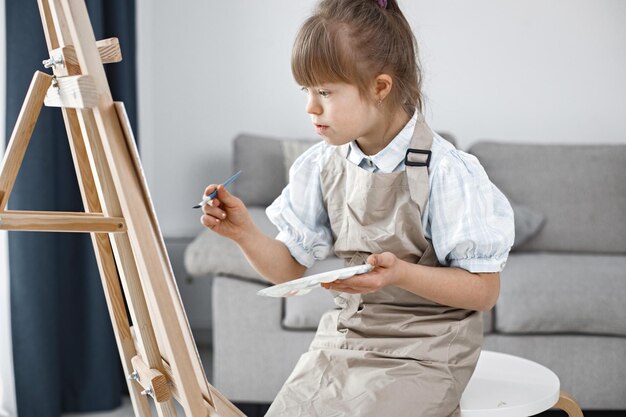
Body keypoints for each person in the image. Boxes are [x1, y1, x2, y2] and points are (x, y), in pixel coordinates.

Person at [200, 0, 514, 415]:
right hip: (344, 340)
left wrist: (399, 274)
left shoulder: (447, 170)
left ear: (380, 87)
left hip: (428, 350)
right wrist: (243, 232)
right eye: (306, 91)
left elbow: (483, 291)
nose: (311, 108)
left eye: (325, 92)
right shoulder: (320, 164)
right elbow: (288, 268)